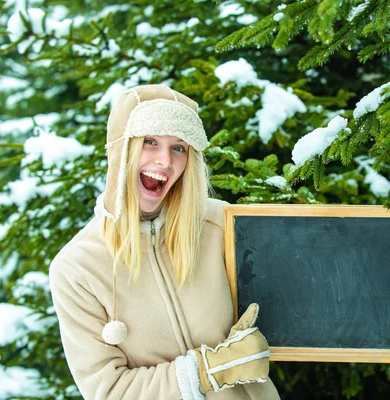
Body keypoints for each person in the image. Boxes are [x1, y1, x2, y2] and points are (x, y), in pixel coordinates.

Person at [49, 84, 281, 399]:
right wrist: (204, 371)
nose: (165, 162)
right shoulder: (77, 269)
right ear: (122, 150)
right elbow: (108, 390)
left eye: (179, 148)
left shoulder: (222, 225)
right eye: (150, 141)